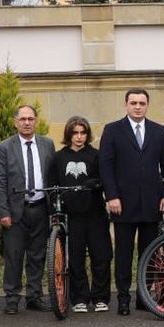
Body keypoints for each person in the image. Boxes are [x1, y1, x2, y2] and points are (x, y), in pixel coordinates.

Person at [99, 88, 164, 315]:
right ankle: (123, 299)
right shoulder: (112, 130)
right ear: (126, 105)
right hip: (122, 203)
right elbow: (106, 166)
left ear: (147, 105)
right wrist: (112, 196)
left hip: (152, 203)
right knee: (123, 254)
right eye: (133, 103)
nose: (138, 107)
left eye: (142, 103)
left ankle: (144, 297)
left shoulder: (158, 131)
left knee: (148, 253)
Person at [0, 106, 56, 314]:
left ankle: (34, 296)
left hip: (41, 208)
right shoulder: (4, 147)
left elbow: (52, 176)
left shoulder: (47, 144)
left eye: (30, 119)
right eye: (22, 119)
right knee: (14, 256)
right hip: (15, 210)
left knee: (37, 256)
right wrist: (3, 212)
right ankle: (12, 298)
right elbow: (0, 181)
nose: (27, 123)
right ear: (15, 122)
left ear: (36, 121)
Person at [49, 117, 109, 312]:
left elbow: (105, 179)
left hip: (95, 213)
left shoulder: (96, 155)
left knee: (101, 256)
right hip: (71, 215)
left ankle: (100, 297)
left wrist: (96, 183)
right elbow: (52, 185)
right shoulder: (58, 158)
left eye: (83, 133)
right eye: (75, 133)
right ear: (69, 134)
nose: (79, 137)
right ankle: (79, 298)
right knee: (75, 258)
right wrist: (56, 204)